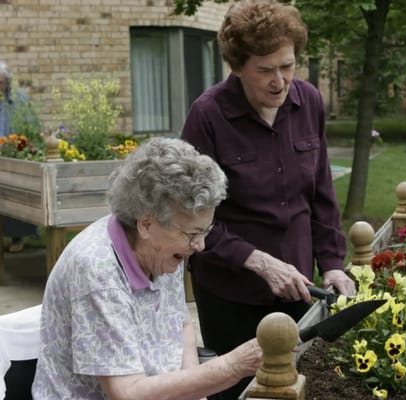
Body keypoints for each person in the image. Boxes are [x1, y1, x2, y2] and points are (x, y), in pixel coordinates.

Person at [180, 1, 356, 398]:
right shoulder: (208, 116)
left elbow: (322, 195)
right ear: (238, 67)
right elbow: (189, 220)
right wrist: (258, 261)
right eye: (265, 70)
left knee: (296, 388)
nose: (280, 81)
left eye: (288, 66)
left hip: (299, 290)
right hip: (231, 296)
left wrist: (331, 264)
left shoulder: (308, 102)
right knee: (242, 392)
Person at [31, 137, 263, 399]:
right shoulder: (98, 270)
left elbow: (180, 324)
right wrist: (231, 367)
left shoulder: (162, 248)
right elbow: (126, 394)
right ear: (146, 224)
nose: (200, 246)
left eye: (205, 232)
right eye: (193, 234)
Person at [0, 61, 39, 252]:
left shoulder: (20, 100)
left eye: (0, 82)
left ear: (7, 82)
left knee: (17, 198)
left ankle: (17, 238)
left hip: (15, 155)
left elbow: (32, 127)